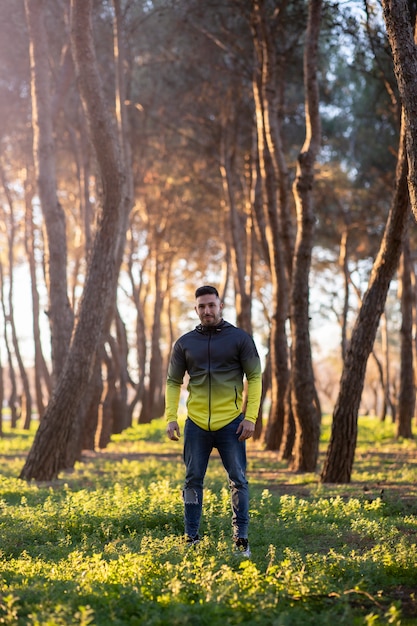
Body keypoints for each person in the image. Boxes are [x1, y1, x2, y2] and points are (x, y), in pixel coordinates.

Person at [165, 285, 262, 557]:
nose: (207, 310)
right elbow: (173, 382)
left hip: (231, 423)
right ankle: (191, 538)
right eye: (201, 306)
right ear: (196, 310)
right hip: (196, 424)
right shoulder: (185, 343)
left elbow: (254, 378)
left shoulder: (240, 339)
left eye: (211, 305)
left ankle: (241, 539)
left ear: (221, 306)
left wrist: (250, 417)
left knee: (238, 480)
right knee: (192, 481)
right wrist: (171, 417)